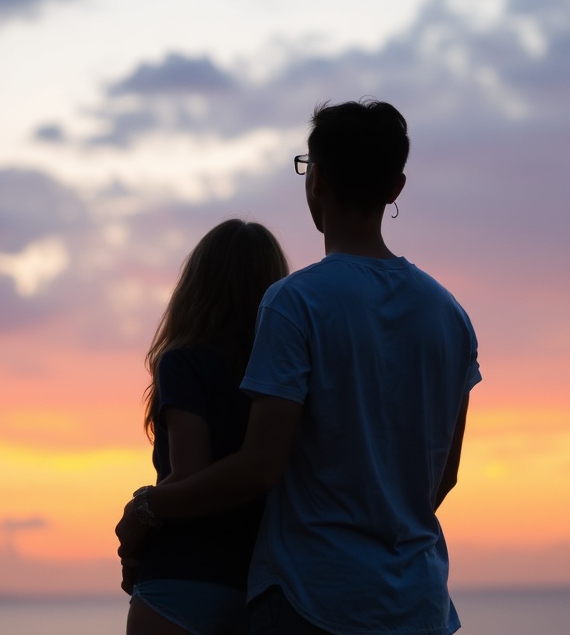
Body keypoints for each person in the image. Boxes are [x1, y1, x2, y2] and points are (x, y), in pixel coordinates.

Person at [118, 100, 481, 635]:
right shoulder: (449, 314)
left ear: (317, 182)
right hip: (418, 605)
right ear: (395, 187)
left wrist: (147, 508)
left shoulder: (295, 302)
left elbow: (260, 465)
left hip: (315, 600)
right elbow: (442, 476)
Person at [121, 218, 290, 635]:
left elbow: (190, 472)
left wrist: (140, 515)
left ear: (197, 285)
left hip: (182, 583)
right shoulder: (288, 371)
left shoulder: (185, 361)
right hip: (265, 583)